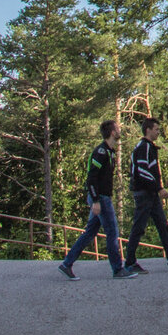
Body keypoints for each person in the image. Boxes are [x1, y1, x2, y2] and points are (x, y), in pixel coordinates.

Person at [57, 119, 133, 280]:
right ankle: (118, 269)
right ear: (112, 132)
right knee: (112, 232)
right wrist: (96, 200)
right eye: (117, 128)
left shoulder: (110, 152)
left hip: (103, 197)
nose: (120, 130)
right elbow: (91, 178)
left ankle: (67, 263)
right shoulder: (101, 152)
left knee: (90, 232)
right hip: (101, 198)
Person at [125, 116, 168, 272]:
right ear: (148, 130)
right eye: (156, 129)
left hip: (151, 193)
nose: (158, 132)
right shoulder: (144, 147)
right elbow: (142, 171)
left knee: (163, 225)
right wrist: (158, 188)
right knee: (139, 227)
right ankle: (130, 262)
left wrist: (156, 189)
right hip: (144, 193)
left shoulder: (149, 147)